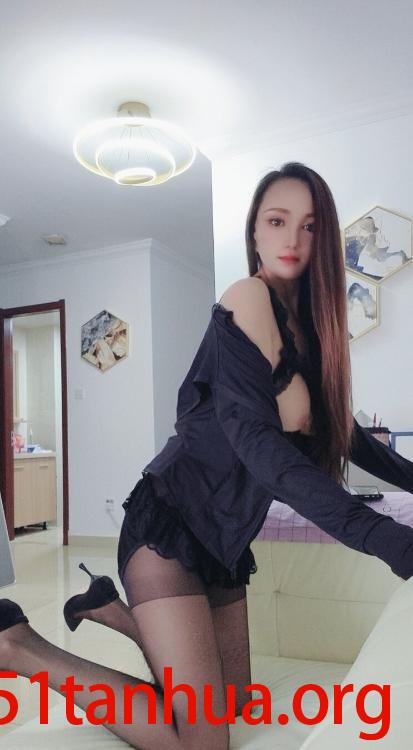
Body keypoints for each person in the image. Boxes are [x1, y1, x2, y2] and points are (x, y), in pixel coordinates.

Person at [2, 162, 413, 750]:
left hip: (223, 542)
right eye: (277, 221)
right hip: (167, 530)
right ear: (255, 232)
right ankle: (22, 647)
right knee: (203, 739)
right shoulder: (246, 299)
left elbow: (352, 437)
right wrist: (390, 541)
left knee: (235, 703)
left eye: (310, 226)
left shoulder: (313, 331)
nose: (293, 239)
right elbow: (259, 448)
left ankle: (113, 611)